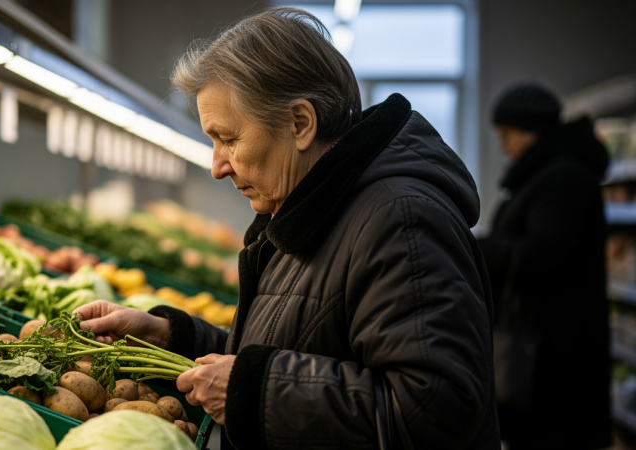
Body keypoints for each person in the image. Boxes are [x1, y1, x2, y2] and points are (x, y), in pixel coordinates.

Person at [77, 8, 499, 449]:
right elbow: (298, 347)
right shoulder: (307, 208)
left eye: (228, 138)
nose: (217, 166)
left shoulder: (402, 221)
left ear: (300, 124)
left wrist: (253, 391)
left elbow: (437, 410)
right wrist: (169, 337)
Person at [478, 84, 610, 449]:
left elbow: (542, 253)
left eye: (506, 135)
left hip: (556, 353)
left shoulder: (563, 177)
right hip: (544, 346)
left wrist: (476, 246)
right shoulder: (543, 175)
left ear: (529, 131)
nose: (503, 146)